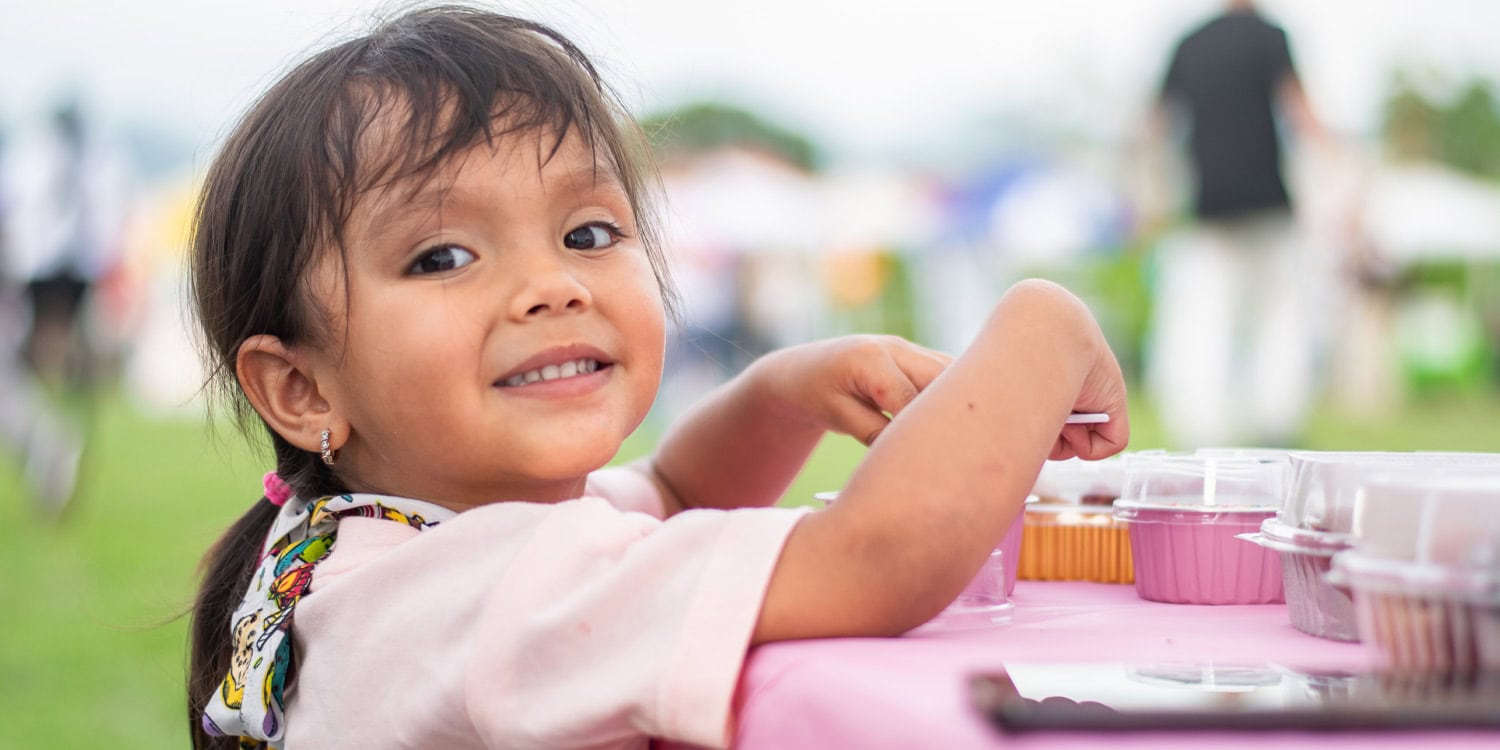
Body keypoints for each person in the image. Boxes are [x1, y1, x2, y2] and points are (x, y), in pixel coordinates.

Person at [185, 6, 1128, 749]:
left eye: (587, 234)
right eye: (443, 257)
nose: (550, 286)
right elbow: (875, 563)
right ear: (301, 389)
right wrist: (1043, 327)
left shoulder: (383, 545)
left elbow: (672, 492)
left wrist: (778, 394)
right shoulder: (493, 590)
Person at [1141, 0, 1330, 449]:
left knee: (1202, 320)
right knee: (1278, 319)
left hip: (1210, 208)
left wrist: (1151, 195)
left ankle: (1202, 426)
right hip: (1267, 204)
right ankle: (1274, 420)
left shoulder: (1188, 43)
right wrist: (1338, 168)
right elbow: (1300, 112)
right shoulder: (1270, 35)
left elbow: (1155, 123)